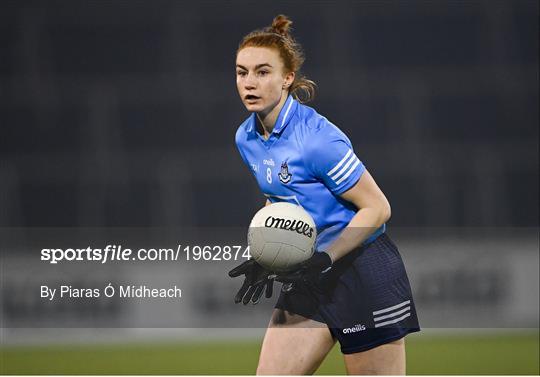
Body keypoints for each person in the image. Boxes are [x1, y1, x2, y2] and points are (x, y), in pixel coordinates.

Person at [229, 15, 420, 375]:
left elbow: (378, 208)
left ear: (287, 78)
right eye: (242, 72)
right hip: (308, 273)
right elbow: (278, 199)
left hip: (362, 272)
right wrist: (268, 254)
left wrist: (326, 257)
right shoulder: (246, 138)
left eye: (262, 72)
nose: (249, 83)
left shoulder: (318, 139)